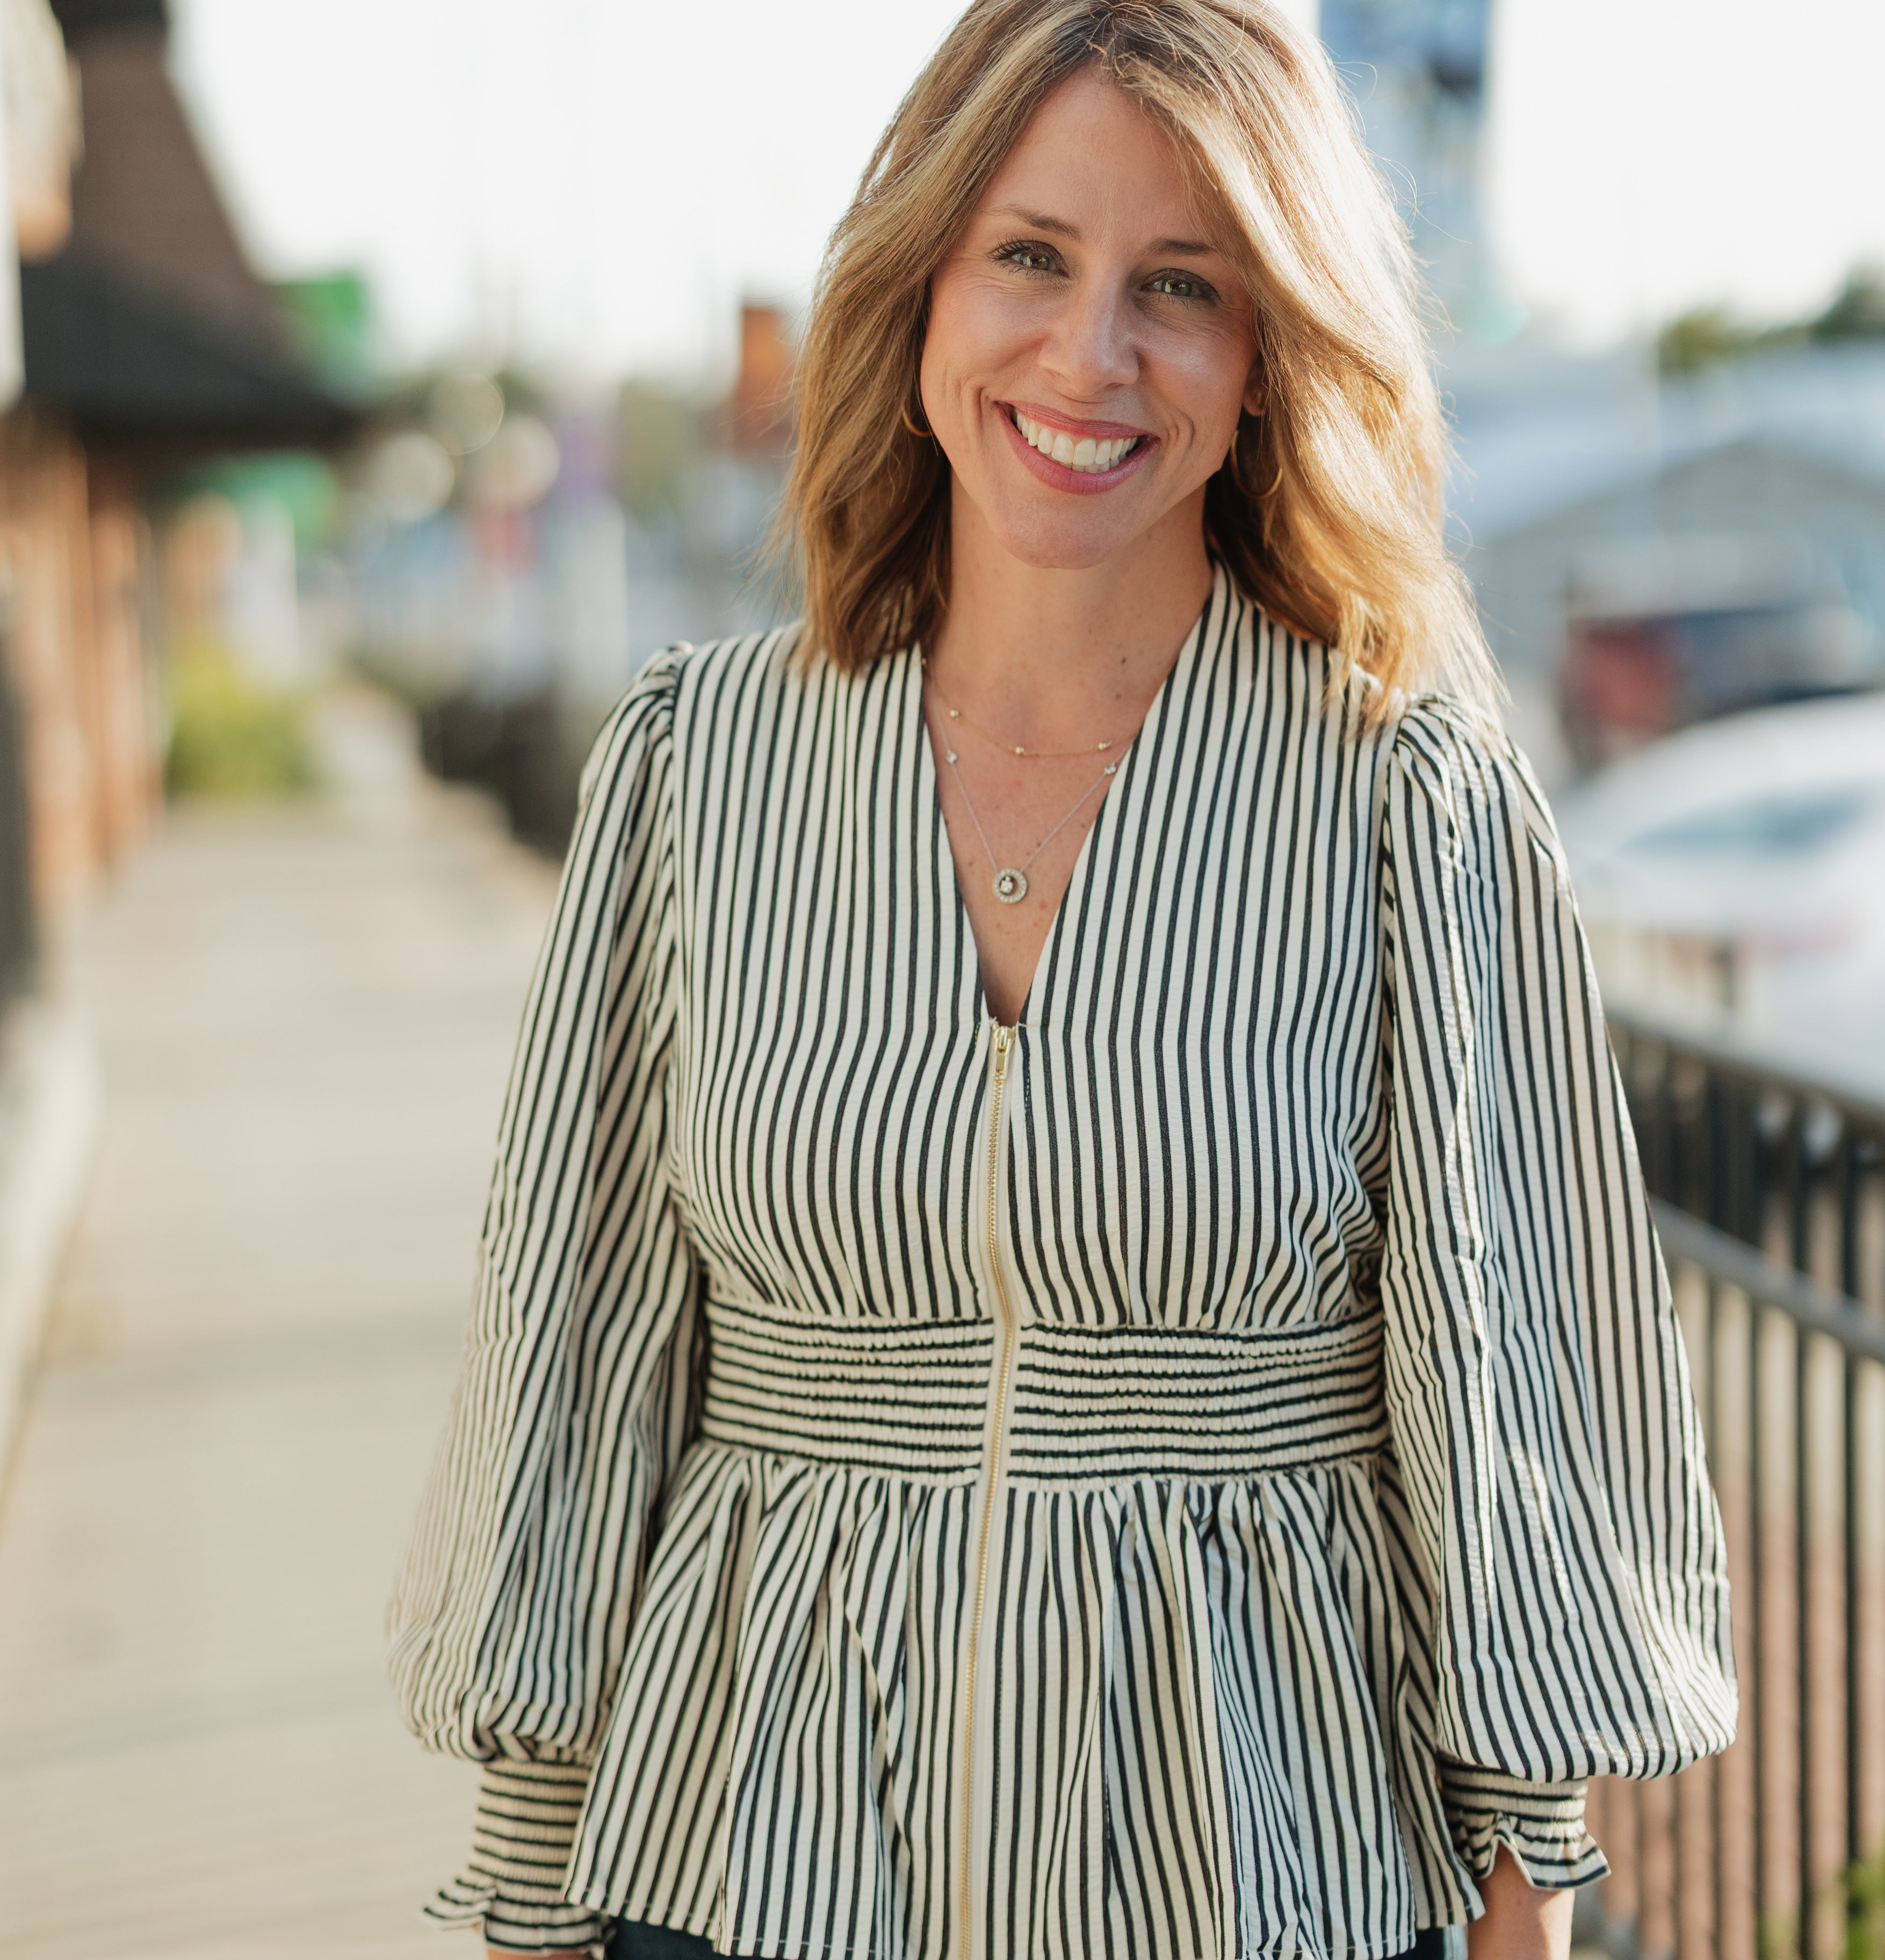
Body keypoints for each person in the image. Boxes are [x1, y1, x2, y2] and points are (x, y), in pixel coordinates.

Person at [388, 3, 1736, 1957]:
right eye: (1032, 253)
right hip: (749, 1859)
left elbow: (1505, 1378)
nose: (1088, 355)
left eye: (1179, 286)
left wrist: (1529, 1867)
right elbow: (577, 1358)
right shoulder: (699, 767)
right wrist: (527, 1885)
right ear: (921, 278)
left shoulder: (1402, 795)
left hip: (1256, 1869)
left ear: (1269, 354)